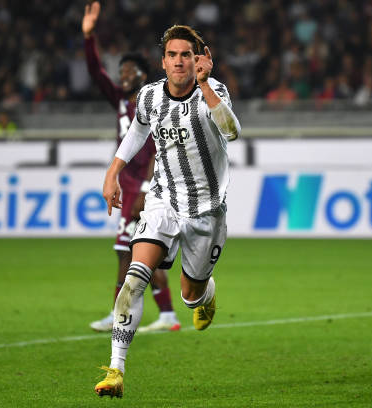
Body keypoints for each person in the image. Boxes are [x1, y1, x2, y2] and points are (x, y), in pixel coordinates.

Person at [94, 24, 241, 398]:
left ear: (197, 60)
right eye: (172, 55)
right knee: (134, 275)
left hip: (206, 210)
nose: (179, 62)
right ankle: (116, 369)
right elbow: (137, 132)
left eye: (186, 56)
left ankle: (204, 296)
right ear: (163, 62)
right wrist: (114, 171)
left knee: (190, 292)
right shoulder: (149, 97)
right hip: (163, 200)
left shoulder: (213, 92)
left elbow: (232, 131)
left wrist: (206, 85)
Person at [82, 1, 181, 333]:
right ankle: (166, 314)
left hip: (143, 185)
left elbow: (157, 147)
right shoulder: (122, 101)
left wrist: (144, 188)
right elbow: (97, 74)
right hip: (128, 182)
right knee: (140, 252)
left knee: (126, 253)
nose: (122, 76)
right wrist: (88, 37)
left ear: (141, 75)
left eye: (128, 72)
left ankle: (118, 314)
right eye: (121, 72)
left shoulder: (152, 100)